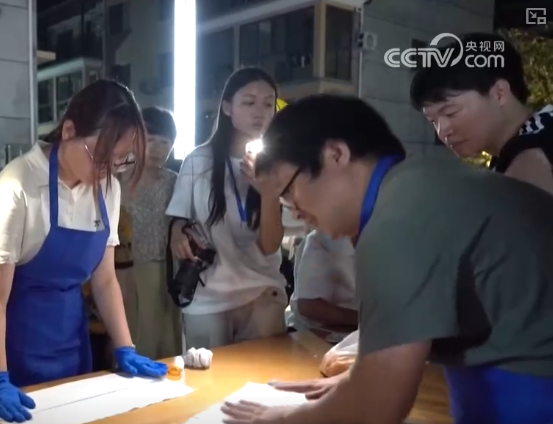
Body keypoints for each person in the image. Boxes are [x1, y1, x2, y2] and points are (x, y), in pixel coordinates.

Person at [222, 94, 553, 424]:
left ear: (336, 154)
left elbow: (374, 408)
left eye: (288, 191)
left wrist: (285, 418)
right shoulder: (420, 182)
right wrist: (357, 382)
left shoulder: (396, 221)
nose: (295, 211)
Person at [0, 79, 168, 423]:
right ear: (69, 130)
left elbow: (105, 280)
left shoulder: (107, 187)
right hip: (12, 347)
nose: (108, 171)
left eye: (120, 161)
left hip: (72, 344)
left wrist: (125, 346)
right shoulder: (18, 184)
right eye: (100, 158)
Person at [165, 68, 287, 349]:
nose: (260, 112)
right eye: (249, 102)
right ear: (227, 107)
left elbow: (270, 246)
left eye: (268, 104)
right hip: (208, 294)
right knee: (206, 373)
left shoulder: (279, 164)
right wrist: (176, 231)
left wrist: (267, 192)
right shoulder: (198, 161)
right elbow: (179, 216)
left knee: (265, 372)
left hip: (261, 290)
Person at [411, 32, 553, 193]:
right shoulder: (538, 133)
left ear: (499, 93)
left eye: (451, 112)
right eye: (433, 120)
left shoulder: (530, 158)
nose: (442, 131)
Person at [116, 107, 183, 360]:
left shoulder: (175, 181)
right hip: (130, 269)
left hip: (169, 268)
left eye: (165, 142)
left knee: (168, 334)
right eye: (151, 140)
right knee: (137, 332)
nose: (157, 148)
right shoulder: (118, 178)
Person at [285, 229, 357, 341]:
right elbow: (309, 306)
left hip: (360, 333)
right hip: (312, 331)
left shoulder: (381, 238)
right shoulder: (320, 240)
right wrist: (365, 319)